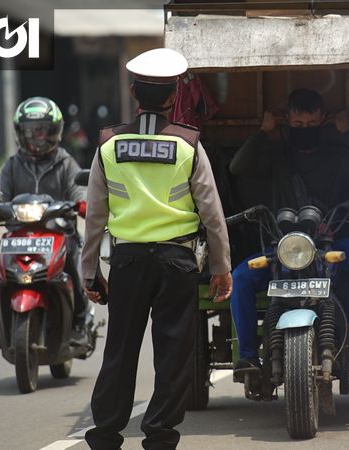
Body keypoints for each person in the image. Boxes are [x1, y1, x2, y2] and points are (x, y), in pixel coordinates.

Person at [80, 48, 233, 450]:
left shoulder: (109, 144)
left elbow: (95, 215)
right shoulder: (188, 145)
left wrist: (89, 272)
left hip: (128, 262)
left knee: (120, 351)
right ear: (174, 96)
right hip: (177, 263)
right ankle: (161, 437)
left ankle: (106, 436)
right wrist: (221, 268)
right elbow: (212, 214)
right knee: (173, 355)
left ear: (133, 92)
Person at [228, 88, 349, 375]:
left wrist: (346, 132)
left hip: (329, 245)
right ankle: (248, 354)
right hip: (282, 249)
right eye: (298, 125)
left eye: (311, 125)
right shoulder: (276, 156)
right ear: (287, 121)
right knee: (240, 278)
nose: (304, 131)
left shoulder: (335, 157)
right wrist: (263, 131)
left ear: (322, 120)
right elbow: (237, 167)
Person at [0, 97, 89, 349]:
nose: (36, 138)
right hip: (20, 235)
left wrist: (82, 204)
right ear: (19, 133)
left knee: (72, 259)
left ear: (54, 131)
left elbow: (78, 190)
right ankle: (4, 319)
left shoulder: (65, 162)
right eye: (29, 132)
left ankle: (79, 322)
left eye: (41, 130)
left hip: (58, 234)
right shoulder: (13, 164)